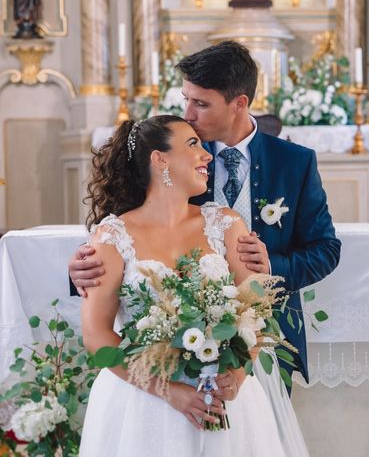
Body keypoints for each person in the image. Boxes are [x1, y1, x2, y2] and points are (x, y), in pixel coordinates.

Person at [71, 41, 340, 454]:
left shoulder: (292, 165)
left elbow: (323, 250)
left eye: (200, 103)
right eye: (186, 101)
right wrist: (82, 273)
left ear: (239, 103)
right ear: (161, 162)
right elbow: (117, 284)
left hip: (249, 359)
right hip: (147, 393)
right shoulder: (166, 168)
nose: (189, 114)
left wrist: (267, 275)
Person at [79, 115, 287, 456]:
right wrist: (168, 390)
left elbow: (258, 310)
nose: (207, 155)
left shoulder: (227, 224)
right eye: (193, 145)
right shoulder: (112, 236)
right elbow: (96, 336)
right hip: (143, 403)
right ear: (159, 159)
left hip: (224, 400)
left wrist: (237, 373)